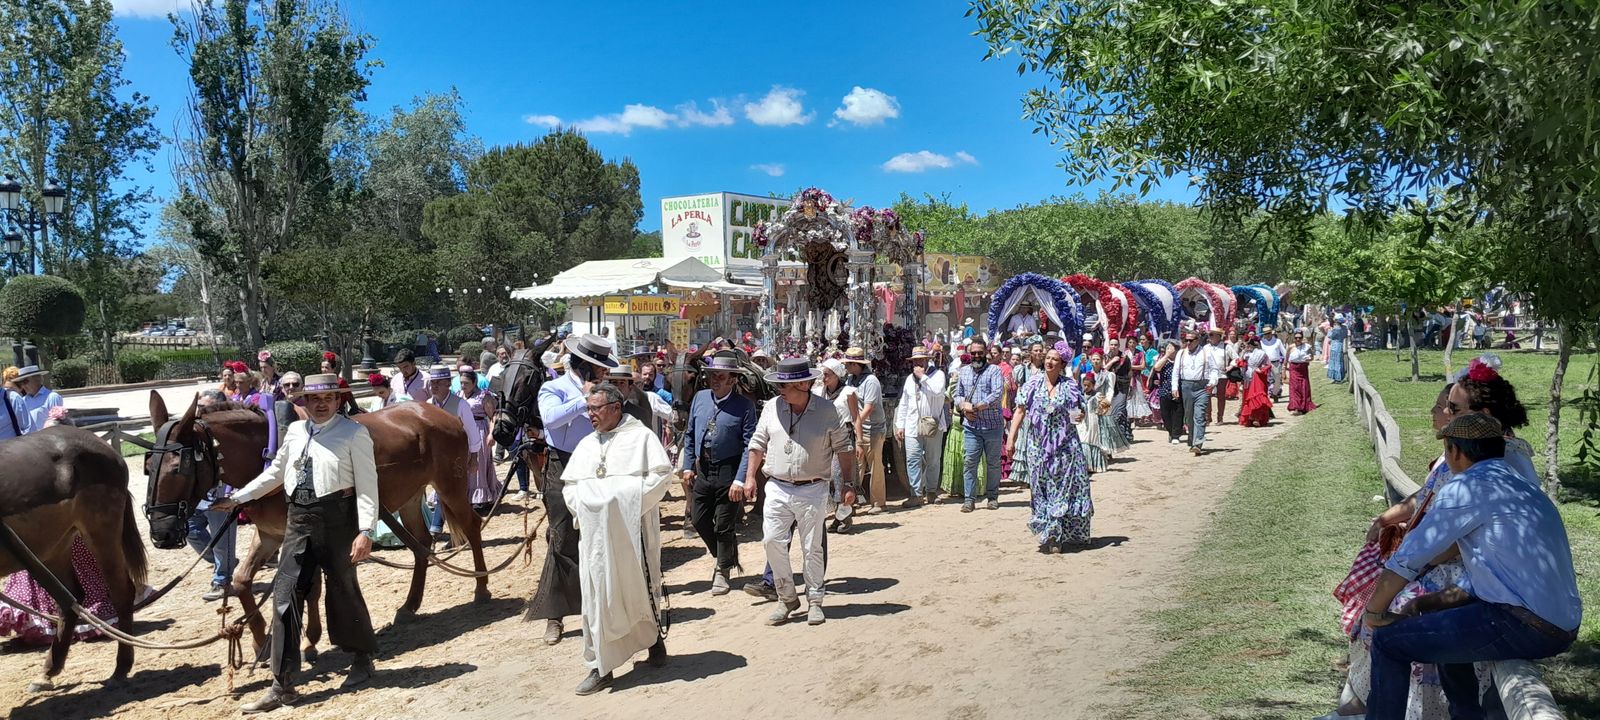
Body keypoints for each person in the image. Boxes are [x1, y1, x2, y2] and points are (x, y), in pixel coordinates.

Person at [1363, 413, 1581, 720]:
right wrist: (1426, 603)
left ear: (1454, 451)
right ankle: (1466, 715)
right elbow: (1495, 572)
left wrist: (1373, 612)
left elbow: (1409, 557)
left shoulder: (1465, 488)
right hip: (1559, 622)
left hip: (1524, 624)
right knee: (1444, 618)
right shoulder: (1522, 484)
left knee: (1388, 642)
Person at [215, 374, 380, 713]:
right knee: (285, 597)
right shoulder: (294, 432)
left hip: (337, 520)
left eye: (329, 398)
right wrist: (239, 498)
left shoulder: (353, 433)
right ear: (302, 401)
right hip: (299, 520)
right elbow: (276, 472)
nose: (321, 404)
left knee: (343, 591)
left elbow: (367, 485)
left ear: (338, 400)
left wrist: (366, 531)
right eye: (313, 399)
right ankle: (283, 684)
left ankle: (362, 659)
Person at [564, 383, 671, 696]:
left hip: (632, 531)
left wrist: (619, 500)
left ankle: (653, 641)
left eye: (595, 409)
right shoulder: (585, 445)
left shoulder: (641, 439)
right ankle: (601, 667)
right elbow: (570, 487)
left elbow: (661, 477)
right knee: (597, 598)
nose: (590, 415)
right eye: (589, 408)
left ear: (615, 407)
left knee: (640, 587)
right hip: (595, 538)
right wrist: (589, 504)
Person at [744, 358, 855, 627]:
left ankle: (815, 600)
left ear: (805, 384)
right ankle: (786, 597)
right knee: (771, 541)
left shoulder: (828, 411)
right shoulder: (771, 407)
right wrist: (749, 477)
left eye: (787, 385)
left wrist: (848, 485)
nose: (781, 389)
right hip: (777, 486)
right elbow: (757, 443)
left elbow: (844, 448)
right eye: (779, 384)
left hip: (813, 488)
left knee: (811, 547)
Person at [528, 334, 617, 645]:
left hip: (597, 463)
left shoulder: (606, 390)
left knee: (600, 534)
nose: (605, 373)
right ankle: (554, 615)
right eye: (600, 368)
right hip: (562, 466)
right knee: (562, 535)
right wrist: (584, 399)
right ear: (585, 366)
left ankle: (601, 606)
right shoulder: (552, 388)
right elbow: (550, 420)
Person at [677, 352, 757, 596]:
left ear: (732, 379)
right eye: (712, 376)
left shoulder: (744, 406)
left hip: (729, 471)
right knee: (699, 518)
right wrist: (688, 465)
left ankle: (722, 569)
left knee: (723, 524)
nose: (715, 380)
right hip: (704, 470)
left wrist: (740, 479)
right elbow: (690, 434)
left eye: (720, 376)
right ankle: (727, 554)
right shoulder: (700, 398)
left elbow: (749, 445)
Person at [1007, 342, 1093, 551]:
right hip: (1037, 446)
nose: (1049, 361)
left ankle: (1056, 535)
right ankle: (1048, 529)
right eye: (1047, 357)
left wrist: (1079, 417)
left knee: (1063, 490)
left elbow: (1075, 415)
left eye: (1054, 359)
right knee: (1041, 488)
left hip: (1065, 447)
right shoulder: (1032, 384)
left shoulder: (1069, 386)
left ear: (1062, 363)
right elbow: (1019, 411)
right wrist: (1011, 439)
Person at [953, 338, 1006, 512]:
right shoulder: (964, 372)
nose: (976, 356)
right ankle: (969, 499)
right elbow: (957, 394)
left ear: (986, 353)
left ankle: (992, 497)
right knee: (970, 462)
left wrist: (975, 407)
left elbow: (997, 394)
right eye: (973, 353)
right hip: (971, 427)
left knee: (993, 463)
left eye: (980, 353)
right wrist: (963, 406)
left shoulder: (994, 371)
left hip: (992, 426)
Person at [842, 347, 892, 513]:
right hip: (859, 428)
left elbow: (869, 407)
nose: (846, 367)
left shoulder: (871, 381)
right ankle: (854, 500)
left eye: (848, 364)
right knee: (857, 465)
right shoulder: (851, 380)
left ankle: (879, 502)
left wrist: (855, 423)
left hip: (873, 428)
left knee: (875, 465)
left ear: (855, 364)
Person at [895, 347, 947, 508]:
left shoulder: (938, 375)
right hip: (912, 424)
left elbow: (937, 392)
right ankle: (915, 494)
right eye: (915, 361)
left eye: (920, 360)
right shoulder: (910, 379)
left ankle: (931, 491)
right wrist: (899, 425)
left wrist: (922, 377)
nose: (917, 364)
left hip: (932, 424)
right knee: (912, 459)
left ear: (927, 360)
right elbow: (904, 402)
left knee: (932, 459)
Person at [815, 359, 860, 530]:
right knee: (829, 478)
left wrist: (861, 442)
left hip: (845, 437)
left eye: (827, 374)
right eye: (823, 375)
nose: (824, 378)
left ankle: (845, 517)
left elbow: (856, 418)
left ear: (836, 375)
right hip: (825, 438)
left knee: (840, 476)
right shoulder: (820, 392)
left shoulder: (848, 392)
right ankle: (837, 515)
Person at [457, 365, 500, 514]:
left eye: (466, 383)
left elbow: (493, 415)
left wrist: (491, 434)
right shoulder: (458, 395)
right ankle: (467, 495)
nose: (463, 386)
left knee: (480, 463)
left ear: (474, 383)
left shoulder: (484, 396)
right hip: (463, 432)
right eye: (461, 382)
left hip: (479, 429)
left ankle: (481, 498)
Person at [1171, 330, 1221, 455]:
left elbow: (1215, 369)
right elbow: (1176, 372)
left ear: (1197, 341)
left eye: (1191, 340)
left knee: (1199, 415)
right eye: (1186, 340)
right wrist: (1174, 388)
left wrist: (1212, 382)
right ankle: (1192, 438)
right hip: (1186, 386)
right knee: (1189, 415)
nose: (1188, 343)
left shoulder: (1206, 352)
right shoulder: (1181, 353)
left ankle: (1198, 443)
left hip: (1202, 387)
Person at [12, 365, 63, 431]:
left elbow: (57, 422)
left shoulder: (52, 397)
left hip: (47, 438)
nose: (23, 386)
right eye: (20, 383)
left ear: (37, 379)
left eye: (25, 381)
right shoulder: (23, 400)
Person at [1237, 337, 1274, 427]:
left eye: (1249, 345)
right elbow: (1240, 363)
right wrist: (1243, 352)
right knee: (1247, 399)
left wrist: (1261, 370)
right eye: (1247, 345)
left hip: (1258, 378)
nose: (1248, 347)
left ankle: (1257, 418)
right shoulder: (1246, 354)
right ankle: (1250, 417)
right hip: (1247, 378)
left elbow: (1268, 365)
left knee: (1256, 397)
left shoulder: (1261, 354)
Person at [1150, 340, 1181, 444]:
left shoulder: (1180, 360)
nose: (1169, 350)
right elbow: (1157, 368)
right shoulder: (1163, 359)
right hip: (1164, 389)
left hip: (1178, 390)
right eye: (1168, 348)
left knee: (1178, 413)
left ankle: (1176, 435)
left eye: (1171, 348)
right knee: (1165, 414)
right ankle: (1170, 432)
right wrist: (1167, 355)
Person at [1286, 329, 1318, 415]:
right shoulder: (1291, 347)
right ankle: (1296, 407)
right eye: (1296, 338)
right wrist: (1284, 370)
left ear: (1302, 338)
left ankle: (1304, 405)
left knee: (1303, 386)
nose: (1297, 339)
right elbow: (1286, 359)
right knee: (1295, 388)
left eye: (1299, 338)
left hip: (1303, 368)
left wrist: (1309, 359)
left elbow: (1312, 357)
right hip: (1293, 368)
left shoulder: (1307, 347)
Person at [1214, 328, 1239, 423]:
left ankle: (1220, 417)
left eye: (1213, 335)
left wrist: (1230, 366)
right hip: (1208, 375)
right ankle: (1207, 417)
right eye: (1210, 334)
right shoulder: (1206, 347)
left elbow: (1236, 358)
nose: (1211, 337)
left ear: (1219, 336)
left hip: (1222, 375)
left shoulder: (1226, 347)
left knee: (1220, 396)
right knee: (1207, 396)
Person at [1259, 325, 1286, 401]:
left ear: (1271, 333)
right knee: (1264, 380)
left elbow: (1284, 352)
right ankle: (1265, 395)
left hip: (1275, 363)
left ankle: (1274, 393)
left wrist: (1286, 362)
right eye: (1266, 334)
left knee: (1277, 379)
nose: (1267, 335)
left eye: (1269, 333)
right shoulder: (1261, 342)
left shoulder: (1278, 341)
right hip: (1265, 364)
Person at [1326, 315, 1349, 383]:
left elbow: (1330, 336)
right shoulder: (1345, 328)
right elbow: (1345, 335)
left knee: (1334, 361)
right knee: (1340, 361)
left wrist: (1330, 330)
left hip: (1335, 345)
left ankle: (1336, 377)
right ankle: (1340, 376)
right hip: (1341, 344)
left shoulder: (1335, 328)